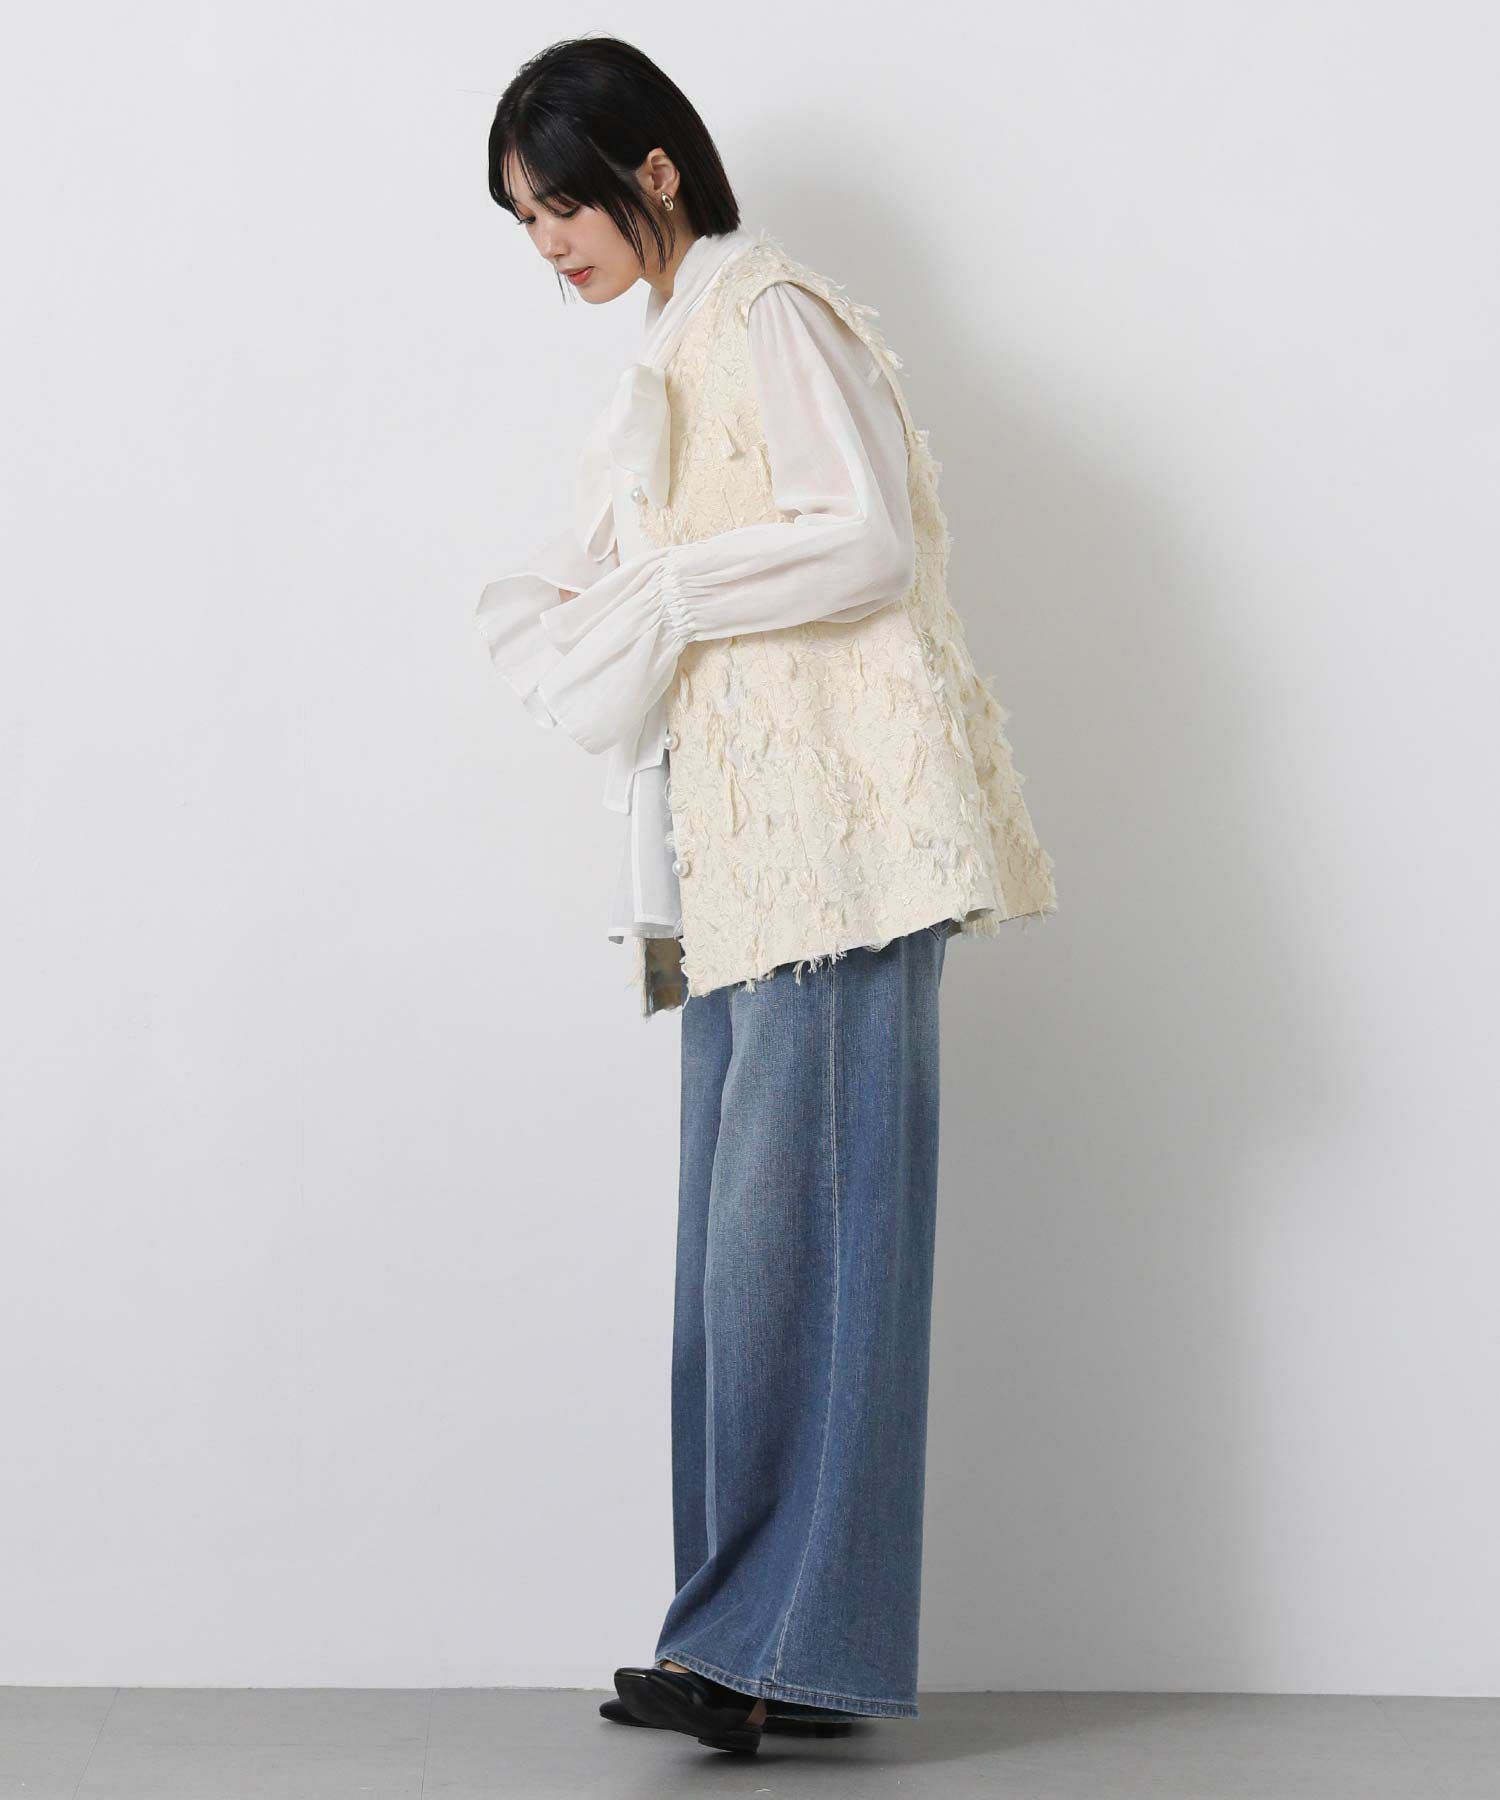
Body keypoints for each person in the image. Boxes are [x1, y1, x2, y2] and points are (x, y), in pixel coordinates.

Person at [475, 36, 1058, 1758]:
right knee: (743, 1266)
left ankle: (773, 1648)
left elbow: (868, 537)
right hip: (744, 866)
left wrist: (666, 586)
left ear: (656, 171)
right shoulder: (673, 344)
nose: (548, 244)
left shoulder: (769, 310)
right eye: (523, 219)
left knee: (807, 1249)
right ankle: (755, 1643)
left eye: (562, 202)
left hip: (845, 855)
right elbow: (673, 581)